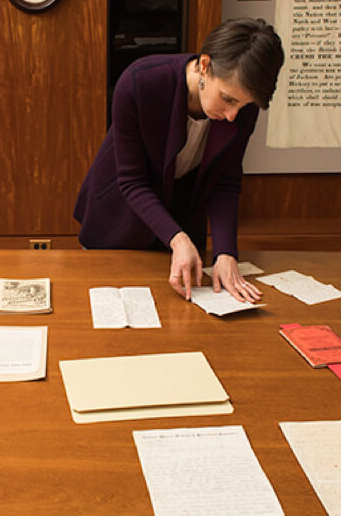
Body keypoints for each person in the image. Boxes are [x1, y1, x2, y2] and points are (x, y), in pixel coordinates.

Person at [73, 18, 284, 303]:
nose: (234, 114)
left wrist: (225, 253)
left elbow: (226, 180)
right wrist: (177, 237)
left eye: (243, 105)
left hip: (182, 230)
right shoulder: (141, 82)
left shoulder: (243, 106)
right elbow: (132, 180)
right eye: (228, 99)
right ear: (205, 65)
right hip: (120, 222)